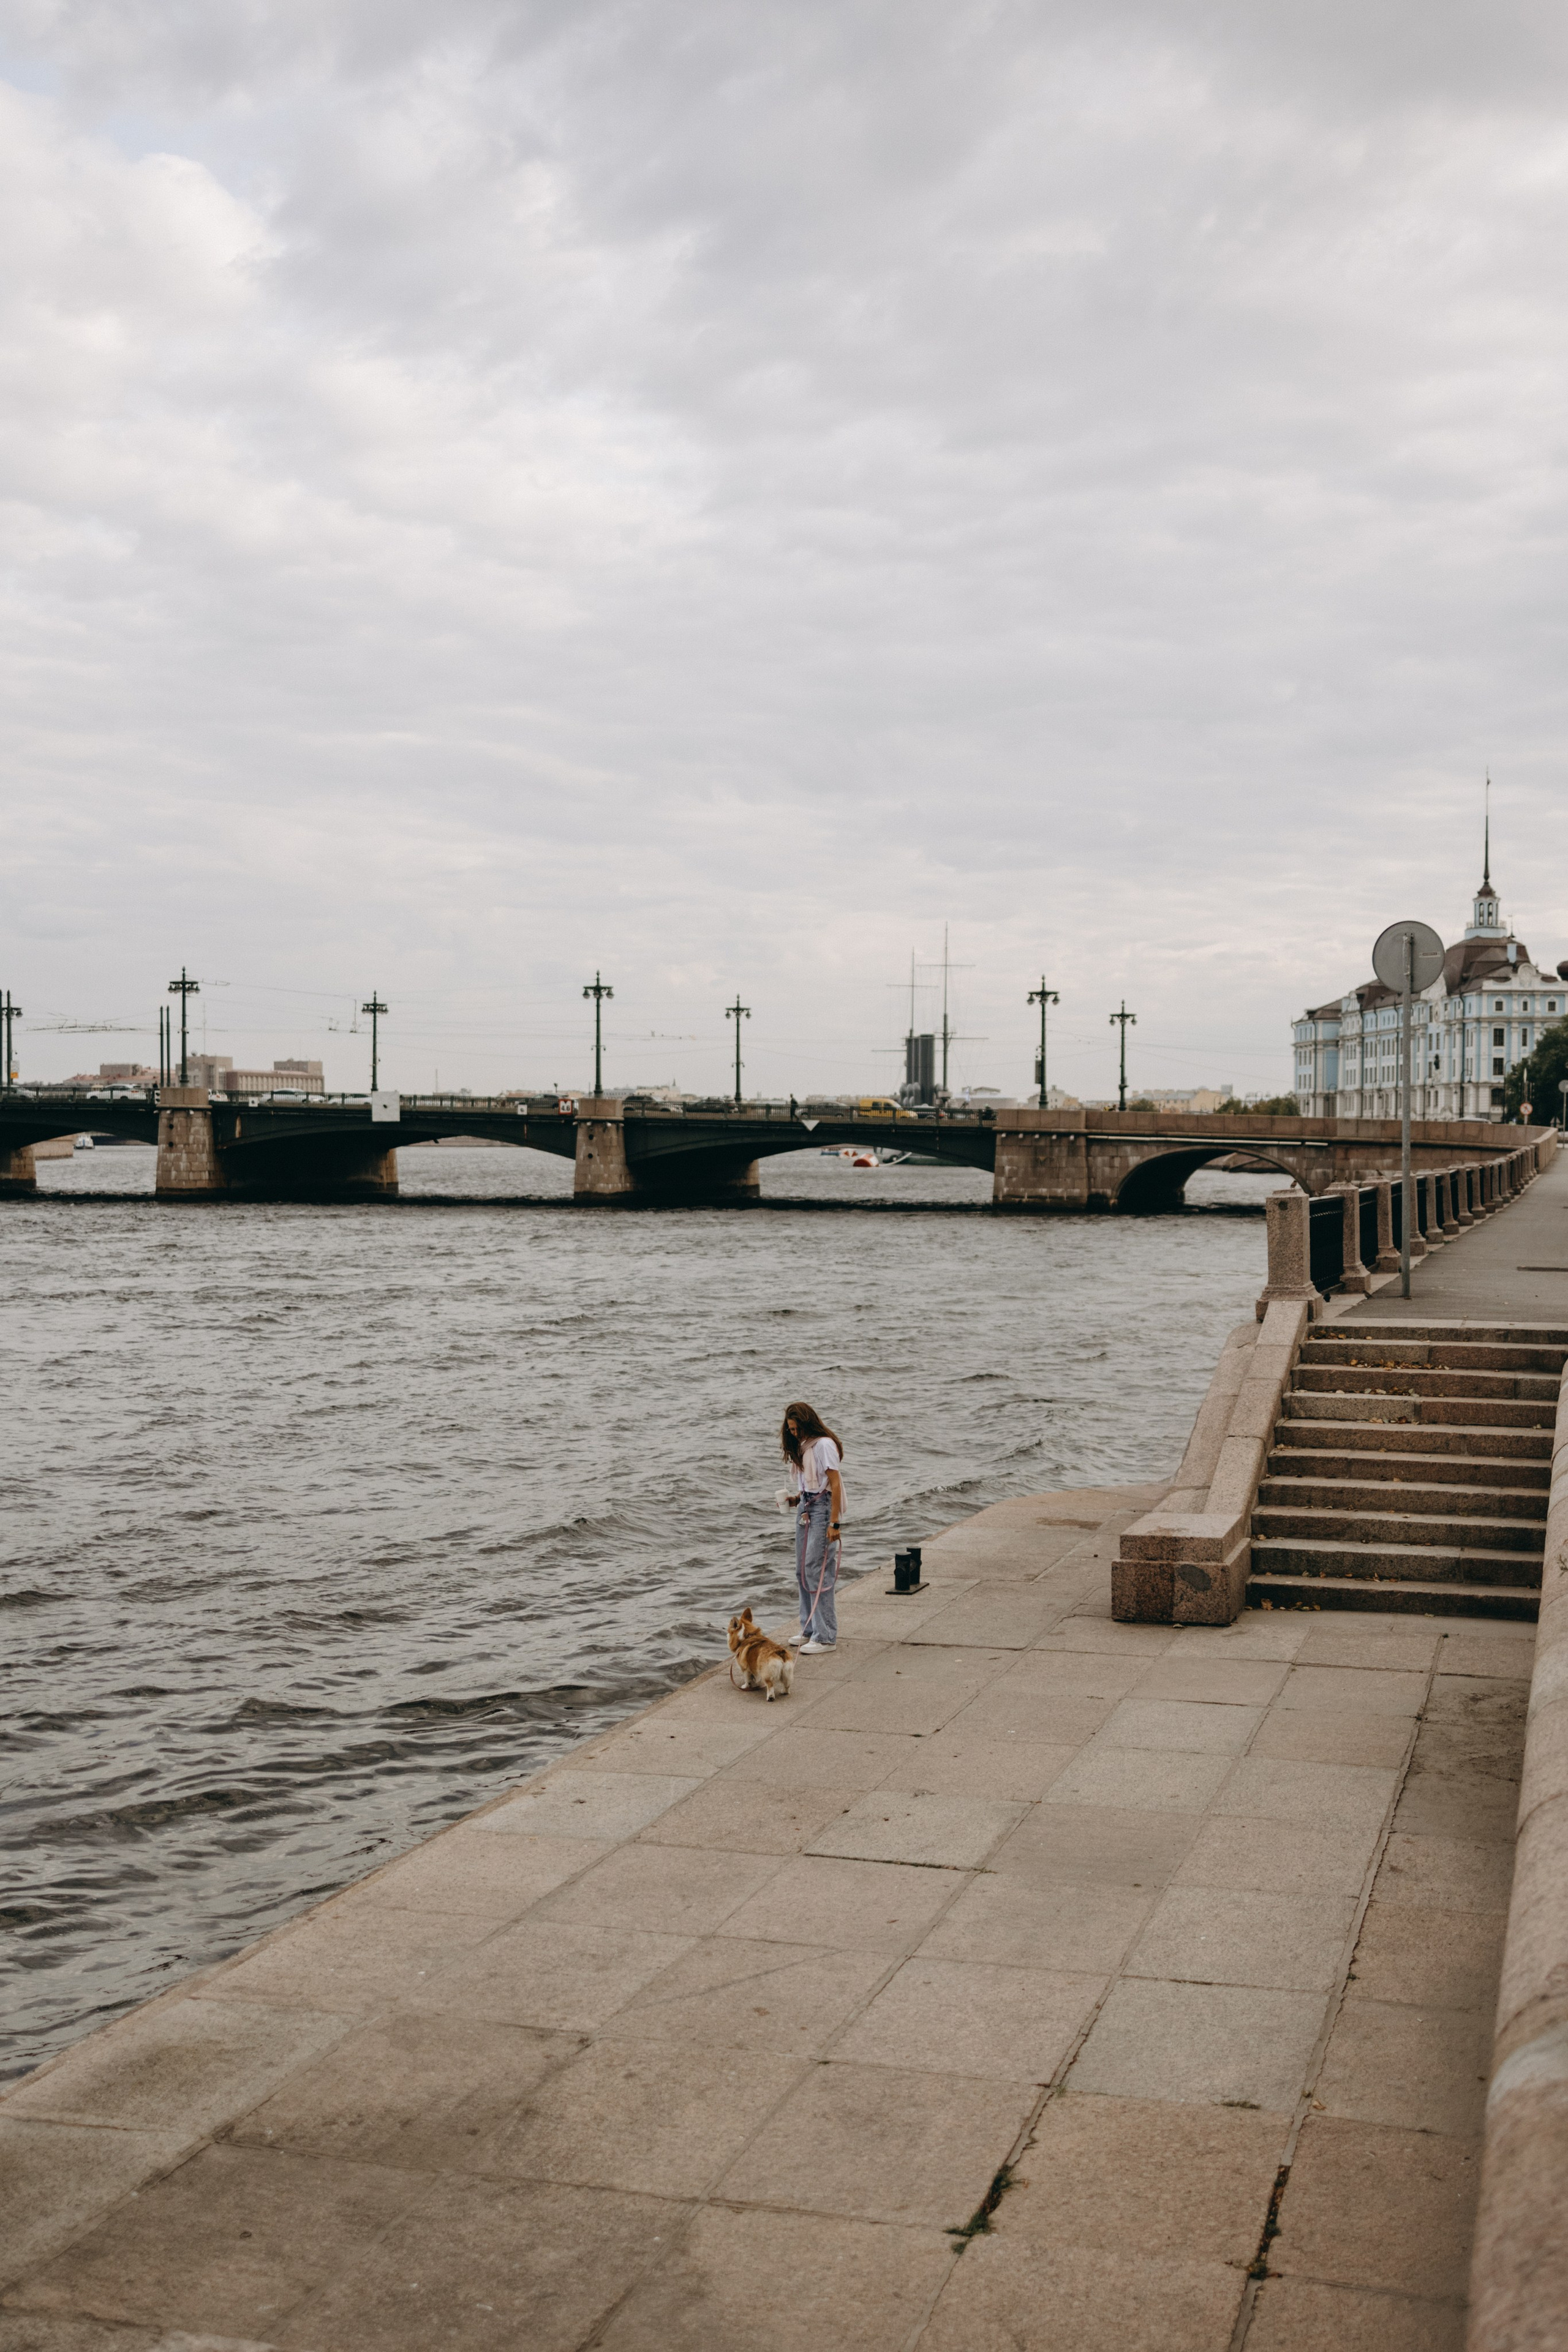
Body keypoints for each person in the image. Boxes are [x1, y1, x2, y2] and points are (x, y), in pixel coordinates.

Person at [781, 1401, 844, 1652]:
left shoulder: (824, 1445)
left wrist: (834, 1523)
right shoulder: (804, 1446)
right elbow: (809, 1484)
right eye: (791, 1430)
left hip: (823, 1508)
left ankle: (826, 1636)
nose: (795, 1434)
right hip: (806, 1506)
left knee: (816, 1570)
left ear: (807, 1423)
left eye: (797, 1429)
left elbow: (835, 1484)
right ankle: (809, 1628)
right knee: (801, 1570)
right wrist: (796, 1499)